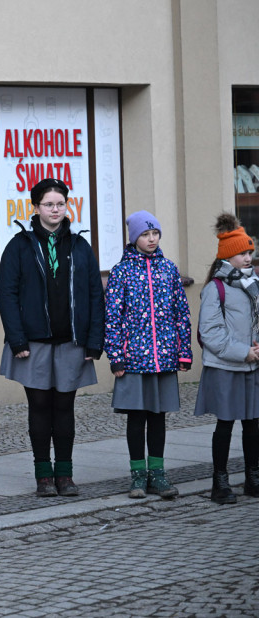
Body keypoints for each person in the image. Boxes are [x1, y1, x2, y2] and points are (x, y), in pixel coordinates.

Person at [0, 178, 104, 497]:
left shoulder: (80, 245)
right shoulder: (19, 245)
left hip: (72, 342)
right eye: (48, 204)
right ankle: (44, 475)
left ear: (66, 206)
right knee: (40, 407)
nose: (55, 209)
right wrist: (17, 340)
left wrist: (94, 341)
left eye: (60, 204)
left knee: (65, 408)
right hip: (34, 344)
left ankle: (66, 475)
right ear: (36, 207)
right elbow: (7, 293)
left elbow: (96, 294)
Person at [104, 211, 191, 499]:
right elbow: (112, 317)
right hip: (133, 360)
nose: (151, 239)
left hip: (164, 357)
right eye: (145, 234)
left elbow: (181, 313)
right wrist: (116, 355)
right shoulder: (122, 272)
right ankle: (138, 475)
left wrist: (183, 351)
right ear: (134, 239)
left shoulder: (169, 269)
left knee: (158, 417)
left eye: (155, 234)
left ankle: (158, 473)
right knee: (137, 417)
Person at [194, 213, 259, 504]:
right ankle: (219, 482)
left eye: (250, 253)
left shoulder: (254, 285)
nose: (248, 258)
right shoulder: (214, 289)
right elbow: (211, 333)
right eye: (242, 254)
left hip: (252, 365)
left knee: (253, 424)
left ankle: (253, 477)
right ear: (228, 257)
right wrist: (243, 352)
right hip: (226, 367)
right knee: (225, 424)